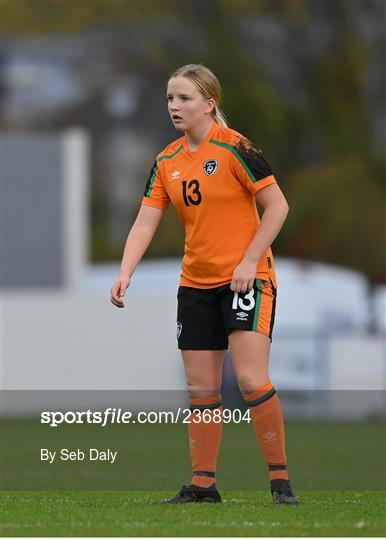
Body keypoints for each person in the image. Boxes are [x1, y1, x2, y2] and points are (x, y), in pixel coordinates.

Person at [111, 63, 299, 505]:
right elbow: (145, 222)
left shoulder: (236, 148)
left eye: (184, 99)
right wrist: (125, 271)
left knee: (252, 380)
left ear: (209, 104)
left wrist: (250, 261)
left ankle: (280, 482)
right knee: (201, 389)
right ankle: (202, 486)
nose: (174, 107)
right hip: (194, 284)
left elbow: (278, 207)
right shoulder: (166, 160)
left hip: (246, 280)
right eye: (170, 99)